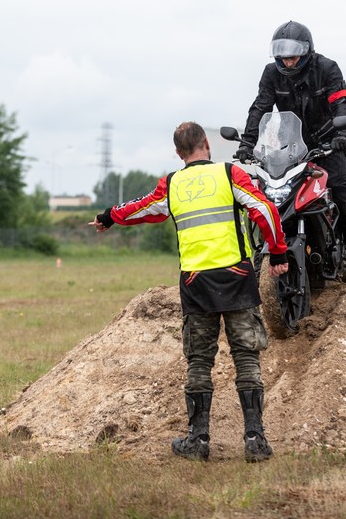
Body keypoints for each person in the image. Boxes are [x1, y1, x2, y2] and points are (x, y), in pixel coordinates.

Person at [91, 122, 289, 463]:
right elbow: (265, 211)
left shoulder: (172, 183)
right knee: (246, 357)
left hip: (196, 283)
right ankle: (255, 440)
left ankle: (198, 441)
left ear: (178, 153)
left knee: (199, 361)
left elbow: (142, 209)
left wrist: (109, 216)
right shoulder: (230, 175)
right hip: (237, 277)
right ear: (207, 144)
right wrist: (279, 252)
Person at [237, 20, 346, 267]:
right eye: (283, 57)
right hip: (292, 147)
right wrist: (248, 143)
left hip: (328, 141)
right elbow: (260, 107)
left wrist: (342, 136)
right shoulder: (271, 74)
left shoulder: (327, 69)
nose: (287, 62)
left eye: (293, 57)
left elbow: (342, 104)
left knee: (339, 188)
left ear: (307, 51)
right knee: (273, 195)